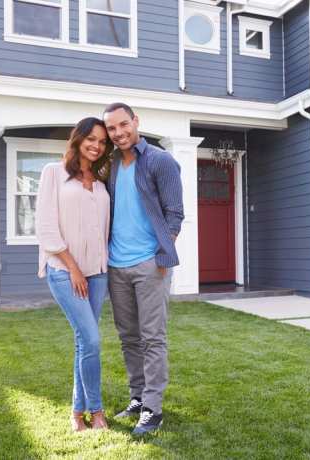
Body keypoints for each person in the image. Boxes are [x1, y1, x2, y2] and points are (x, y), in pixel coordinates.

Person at [103, 102, 184, 436]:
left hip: (150, 264)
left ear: (136, 121)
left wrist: (161, 255)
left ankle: (153, 408)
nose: (119, 133)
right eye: (112, 128)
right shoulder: (109, 166)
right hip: (116, 265)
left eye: (124, 124)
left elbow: (174, 213)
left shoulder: (159, 160)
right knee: (128, 338)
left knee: (152, 337)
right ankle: (137, 397)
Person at [35, 117, 113, 432]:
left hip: (98, 273)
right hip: (65, 272)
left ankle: (76, 413)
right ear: (78, 139)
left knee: (85, 342)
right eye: (91, 139)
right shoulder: (53, 173)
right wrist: (73, 267)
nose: (96, 145)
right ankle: (96, 412)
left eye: (102, 142)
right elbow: (45, 226)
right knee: (91, 339)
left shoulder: (101, 181)